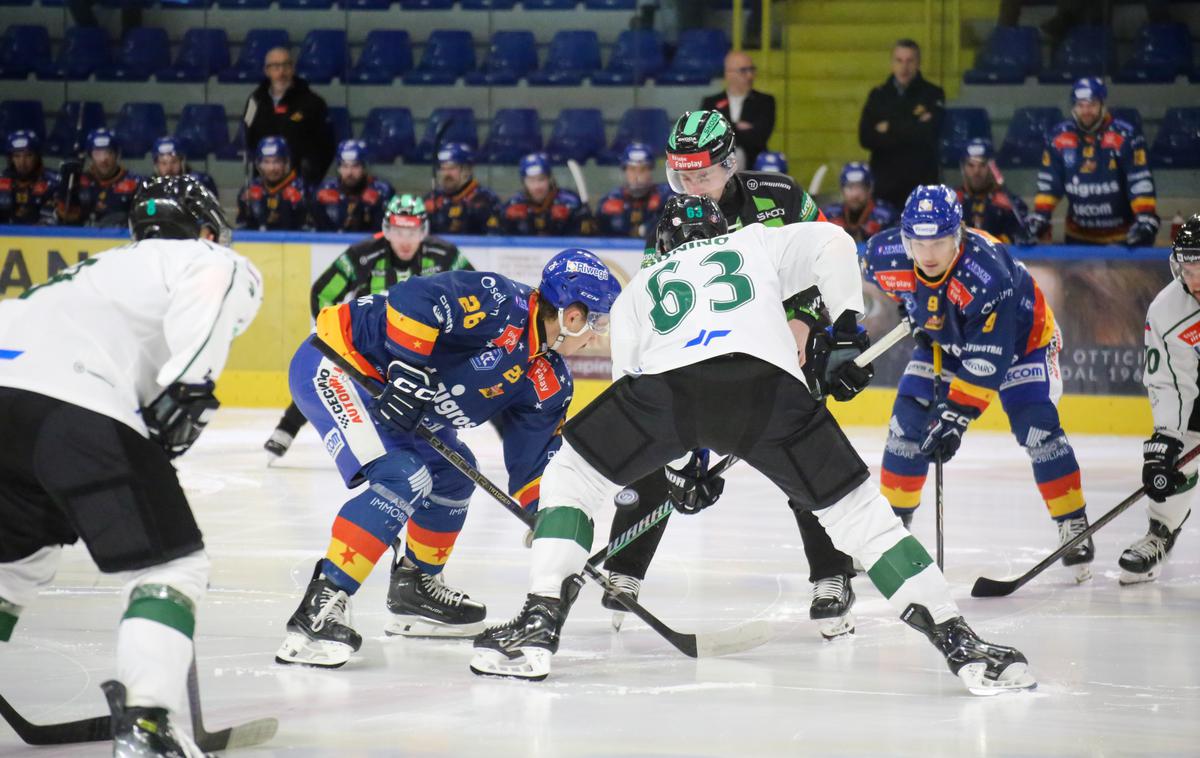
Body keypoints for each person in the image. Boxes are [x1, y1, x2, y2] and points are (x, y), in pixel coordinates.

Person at [469, 194, 1037, 697]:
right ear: (720, 229)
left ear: (662, 244)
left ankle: (540, 622)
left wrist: (684, 465)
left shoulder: (640, 288)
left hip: (669, 394)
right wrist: (844, 328)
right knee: (862, 517)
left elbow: (632, 391)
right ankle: (961, 643)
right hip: (770, 392)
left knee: (575, 476)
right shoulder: (753, 240)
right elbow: (835, 242)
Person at [0, 175, 262, 755]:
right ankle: (148, 726)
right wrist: (190, 392)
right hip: (73, 402)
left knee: (17, 561)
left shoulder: (91, 269)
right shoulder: (202, 255)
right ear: (206, 227)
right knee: (171, 568)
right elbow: (214, 283)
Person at [275, 249, 621, 668]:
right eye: (597, 321)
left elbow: (533, 472)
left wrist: (553, 529)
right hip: (341, 364)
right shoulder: (499, 301)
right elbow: (414, 298)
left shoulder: (548, 382)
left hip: (395, 407)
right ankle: (321, 605)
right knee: (407, 478)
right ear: (572, 315)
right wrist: (408, 368)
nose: (598, 334)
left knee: (455, 477)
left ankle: (414, 586)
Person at [603, 110, 868, 640]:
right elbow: (665, 309)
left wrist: (808, 321)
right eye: (682, 177)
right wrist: (689, 455)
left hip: (786, 348)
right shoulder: (675, 220)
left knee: (806, 455)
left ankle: (832, 575)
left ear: (729, 164)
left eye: (702, 175)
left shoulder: (780, 197)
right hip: (713, 353)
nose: (692, 187)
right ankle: (624, 572)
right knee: (659, 447)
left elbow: (829, 258)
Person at [862, 185, 1095, 581]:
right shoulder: (882, 256)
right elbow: (869, 293)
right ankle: (892, 533)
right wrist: (916, 312)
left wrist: (954, 417)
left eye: (939, 242)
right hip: (947, 341)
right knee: (907, 424)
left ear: (960, 235)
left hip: (1023, 343)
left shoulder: (988, 274)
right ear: (905, 240)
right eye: (919, 243)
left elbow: (989, 357)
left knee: (1036, 424)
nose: (929, 254)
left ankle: (1073, 523)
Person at [264, 194, 472, 461]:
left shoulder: (447, 257)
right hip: (371, 346)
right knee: (327, 372)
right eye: (398, 231)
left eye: (413, 231)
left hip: (422, 347)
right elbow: (322, 293)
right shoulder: (363, 256)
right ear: (386, 229)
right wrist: (332, 337)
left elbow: (471, 299)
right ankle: (287, 428)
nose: (405, 240)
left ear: (424, 231)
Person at [1123, 214, 1200, 584]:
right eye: (1188, 268)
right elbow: (1169, 382)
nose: (1194, 280)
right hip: (1197, 399)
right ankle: (1161, 531)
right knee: (1178, 458)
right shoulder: (1167, 310)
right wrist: (1166, 439)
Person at [1028, 78, 1158, 246]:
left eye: (1091, 105)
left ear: (1103, 105)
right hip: (1078, 238)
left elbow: (1140, 181)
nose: (1086, 111)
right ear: (1073, 107)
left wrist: (1145, 218)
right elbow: (1049, 184)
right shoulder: (1059, 138)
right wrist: (1040, 216)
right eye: (1080, 105)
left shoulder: (1126, 136)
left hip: (1122, 238)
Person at [857, 39, 945, 210]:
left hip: (922, 185)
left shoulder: (932, 93)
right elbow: (865, 137)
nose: (904, 67)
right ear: (892, 63)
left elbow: (929, 133)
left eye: (909, 61)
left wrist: (889, 127)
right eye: (899, 60)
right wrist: (913, 125)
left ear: (918, 63)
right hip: (885, 186)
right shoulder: (878, 95)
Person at [241, 46, 335, 187]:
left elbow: (327, 145)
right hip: (264, 183)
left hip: (300, 183)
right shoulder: (254, 101)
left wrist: (312, 175)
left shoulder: (313, 103)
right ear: (266, 71)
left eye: (286, 65)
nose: (281, 71)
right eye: (276, 66)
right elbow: (246, 134)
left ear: (293, 69)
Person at [700, 50, 776, 171]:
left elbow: (759, 137)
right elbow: (708, 137)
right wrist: (739, 127)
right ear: (728, 73)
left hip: (754, 166)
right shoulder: (710, 103)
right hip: (718, 164)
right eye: (744, 71)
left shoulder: (765, 101)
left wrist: (726, 128)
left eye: (752, 70)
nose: (750, 76)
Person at [55, 128, 143, 228]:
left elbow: (151, 211)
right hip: (82, 240)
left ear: (117, 155)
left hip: (121, 240)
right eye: (97, 153)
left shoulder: (136, 183)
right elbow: (66, 219)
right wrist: (65, 185)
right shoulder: (79, 181)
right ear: (90, 156)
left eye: (108, 152)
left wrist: (150, 205)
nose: (103, 159)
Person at [492, 153, 595, 236]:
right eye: (531, 181)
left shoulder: (570, 201)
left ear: (550, 179)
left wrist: (576, 217)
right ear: (524, 182)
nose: (537, 186)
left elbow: (589, 233)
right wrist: (506, 221)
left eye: (541, 179)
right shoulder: (514, 203)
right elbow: (493, 233)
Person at [955, 138, 1031, 245]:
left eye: (982, 165)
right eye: (971, 165)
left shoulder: (1010, 204)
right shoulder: (951, 201)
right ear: (963, 168)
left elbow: (1020, 238)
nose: (976, 172)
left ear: (993, 168)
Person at [310, 139, 395, 233]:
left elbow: (387, 232)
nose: (349, 172)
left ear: (364, 167)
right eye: (345, 166)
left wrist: (372, 207)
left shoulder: (381, 191)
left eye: (355, 166)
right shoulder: (324, 191)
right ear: (338, 168)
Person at [594, 142, 672, 239]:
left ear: (650, 170)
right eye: (632, 169)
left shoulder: (665, 195)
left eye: (643, 169)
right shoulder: (610, 200)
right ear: (625, 170)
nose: (637, 175)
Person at [424, 142, 501, 235]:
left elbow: (493, 240)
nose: (446, 173)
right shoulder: (432, 198)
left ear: (467, 170)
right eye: (442, 168)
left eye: (452, 168)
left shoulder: (485, 200)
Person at [236, 136, 309, 231]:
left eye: (277, 162)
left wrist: (297, 205)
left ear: (286, 163)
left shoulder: (300, 188)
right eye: (266, 162)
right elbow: (241, 226)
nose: (272, 168)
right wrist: (246, 204)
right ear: (259, 165)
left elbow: (309, 227)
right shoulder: (249, 189)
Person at [822, 161, 897, 243]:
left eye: (860, 187)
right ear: (842, 190)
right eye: (849, 187)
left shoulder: (886, 216)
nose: (855, 194)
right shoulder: (829, 215)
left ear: (869, 189)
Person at [0, 130, 57, 225]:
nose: (22, 162)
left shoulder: (53, 182)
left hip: (41, 237)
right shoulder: (2, 181)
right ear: (10, 159)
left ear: (37, 157)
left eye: (28, 155)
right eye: (17, 156)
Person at [149, 137, 218, 198]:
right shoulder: (150, 188)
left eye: (174, 162)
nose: (169, 167)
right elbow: (150, 211)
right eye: (164, 163)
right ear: (156, 165)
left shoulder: (196, 184)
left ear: (182, 162)